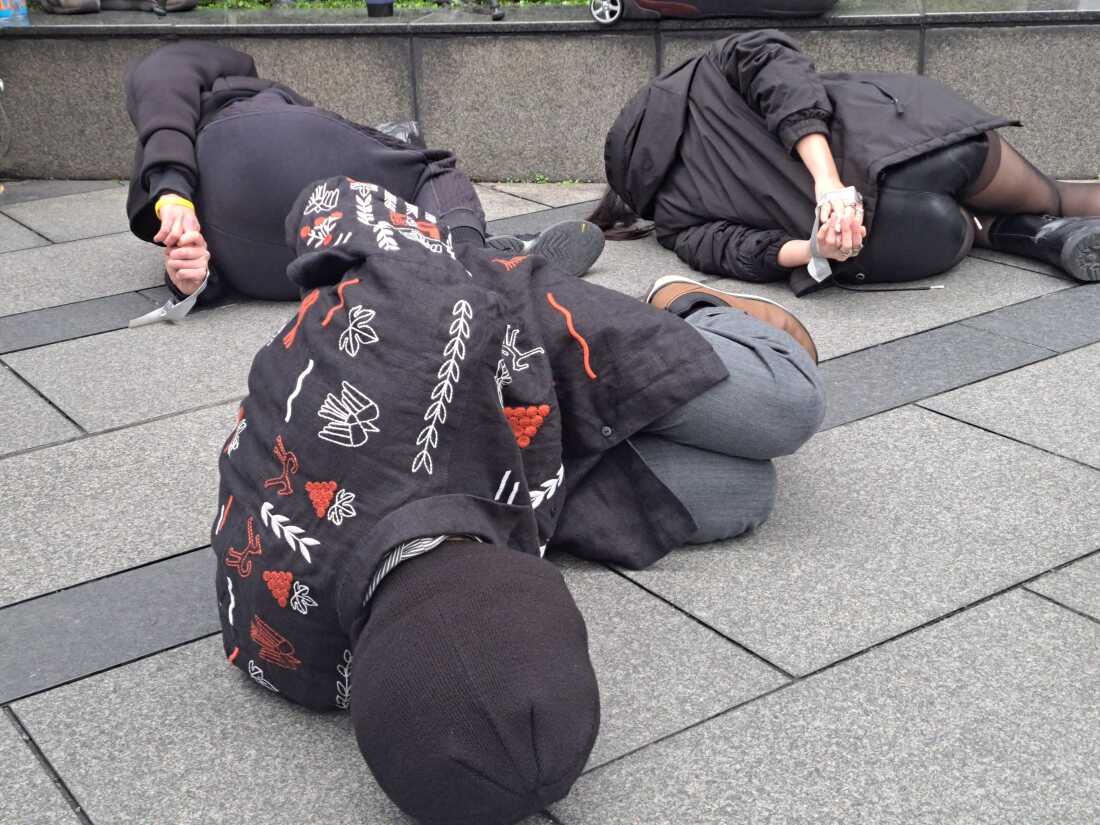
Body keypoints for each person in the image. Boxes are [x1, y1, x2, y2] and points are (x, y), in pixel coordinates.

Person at [212, 174, 824, 824]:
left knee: (789, 404)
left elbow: (332, 199)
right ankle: (593, 376)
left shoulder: (417, 320)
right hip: (518, 477)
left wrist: (452, 233)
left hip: (506, 323)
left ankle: (675, 303)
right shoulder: (298, 656)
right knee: (747, 493)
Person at [592, 30, 1100, 296]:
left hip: (899, 239)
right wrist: (828, 181)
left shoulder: (671, 221)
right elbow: (780, 71)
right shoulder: (708, 71)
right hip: (920, 140)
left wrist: (815, 247)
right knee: (1054, 193)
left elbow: (738, 252)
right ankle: (1043, 216)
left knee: (966, 223)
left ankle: (1028, 234)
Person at [124, 42, 603, 307]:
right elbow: (160, 70)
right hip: (253, 141)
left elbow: (160, 99)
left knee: (379, 248)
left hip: (257, 273)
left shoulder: (157, 166)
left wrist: (192, 284)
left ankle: (441, 264)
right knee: (430, 169)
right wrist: (171, 188)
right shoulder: (227, 80)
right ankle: (474, 256)